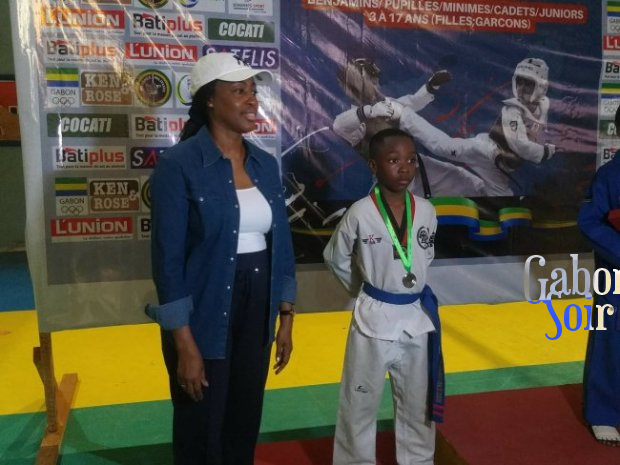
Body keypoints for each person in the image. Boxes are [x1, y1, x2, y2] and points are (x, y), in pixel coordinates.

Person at [145, 52, 297, 465]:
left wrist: (285, 315)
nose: (252, 100)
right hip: (205, 310)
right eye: (239, 91)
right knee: (200, 423)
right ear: (210, 100)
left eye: (253, 91)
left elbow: (281, 244)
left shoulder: (265, 164)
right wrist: (184, 344)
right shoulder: (178, 165)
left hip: (258, 309)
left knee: (244, 417)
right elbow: (167, 261)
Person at [323, 128, 444, 464]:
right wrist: (363, 288)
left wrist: (406, 281)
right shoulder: (360, 212)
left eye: (411, 160)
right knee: (359, 402)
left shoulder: (426, 211)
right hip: (373, 316)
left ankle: (418, 460)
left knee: (418, 403)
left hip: (416, 318)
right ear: (374, 166)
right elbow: (335, 257)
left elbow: (425, 254)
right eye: (393, 160)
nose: (404, 168)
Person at [374, 57, 556, 196]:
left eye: (529, 83)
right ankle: (402, 113)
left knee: (502, 199)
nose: (523, 87)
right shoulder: (512, 110)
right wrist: (544, 152)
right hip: (485, 151)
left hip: (500, 168)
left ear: (541, 86)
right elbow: (520, 144)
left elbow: (536, 135)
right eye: (520, 81)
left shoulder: (543, 107)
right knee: (443, 146)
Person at [332, 57, 487, 197]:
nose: (375, 84)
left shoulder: (386, 103)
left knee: (467, 181)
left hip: (417, 165)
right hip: (392, 177)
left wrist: (430, 87)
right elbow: (338, 126)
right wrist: (369, 111)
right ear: (353, 87)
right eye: (370, 80)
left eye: (375, 80)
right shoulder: (354, 121)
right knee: (406, 211)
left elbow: (412, 102)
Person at [577, 105, 620, 447]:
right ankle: (603, 412)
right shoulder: (609, 175)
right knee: (609, 339)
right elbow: (589, 222)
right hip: (616, 275)